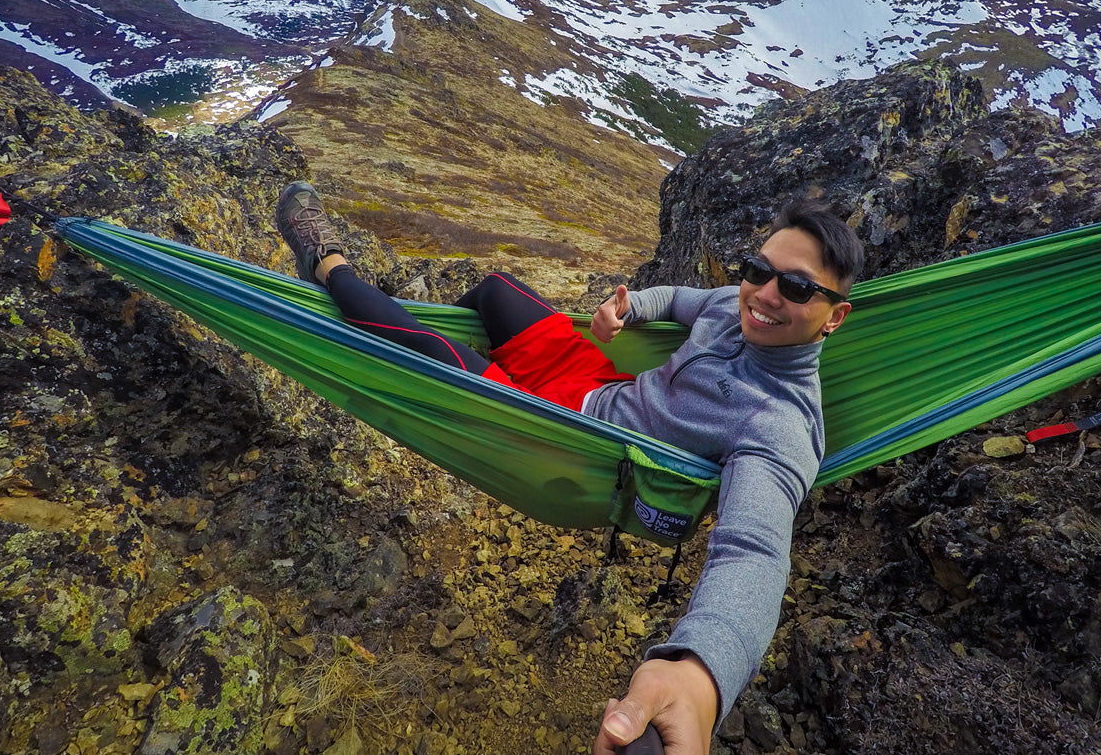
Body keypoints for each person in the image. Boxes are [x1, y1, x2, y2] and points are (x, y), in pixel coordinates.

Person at [275, 181, 864, 755]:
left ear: (834, 317)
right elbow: (681, 300)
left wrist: (701, 675)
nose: (764, 294)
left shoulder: (779, 425)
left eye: (795, 287)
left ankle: (327, 263)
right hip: (591, 385)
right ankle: (449, 383)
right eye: (757, 271)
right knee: (495, 290)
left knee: (432, 356)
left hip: (570, 440)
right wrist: (626, 311)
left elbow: (754, 553)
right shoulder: (731, 309)